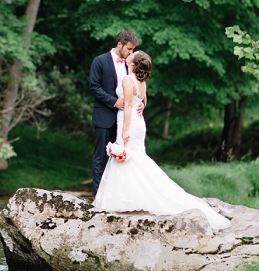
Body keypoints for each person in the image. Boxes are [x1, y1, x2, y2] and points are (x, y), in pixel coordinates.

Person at [93, 51, 230, 232]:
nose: (131, 54)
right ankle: (132, 196)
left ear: (133, 63)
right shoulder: (141, 81)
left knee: (130, 157)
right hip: (138, 121)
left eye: (134, 54)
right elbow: (142, 101)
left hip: (129, 122)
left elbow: (127, 105)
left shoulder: (128, 79)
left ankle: (127, 198)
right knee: (135, 157)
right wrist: (141, 105)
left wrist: (125, 129)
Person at [88, 31, 141, 197]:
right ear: (120, 44)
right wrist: (113, 101)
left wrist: (142, 104)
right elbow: (94, 86)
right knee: (100, 157)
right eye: (129, 49)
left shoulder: (130, 64)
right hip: (104, 115)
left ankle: (115, 195)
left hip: (124, 119)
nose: (131, 53)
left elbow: (138, 86)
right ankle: (98, 196)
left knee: (120, 157)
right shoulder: (100, 60)